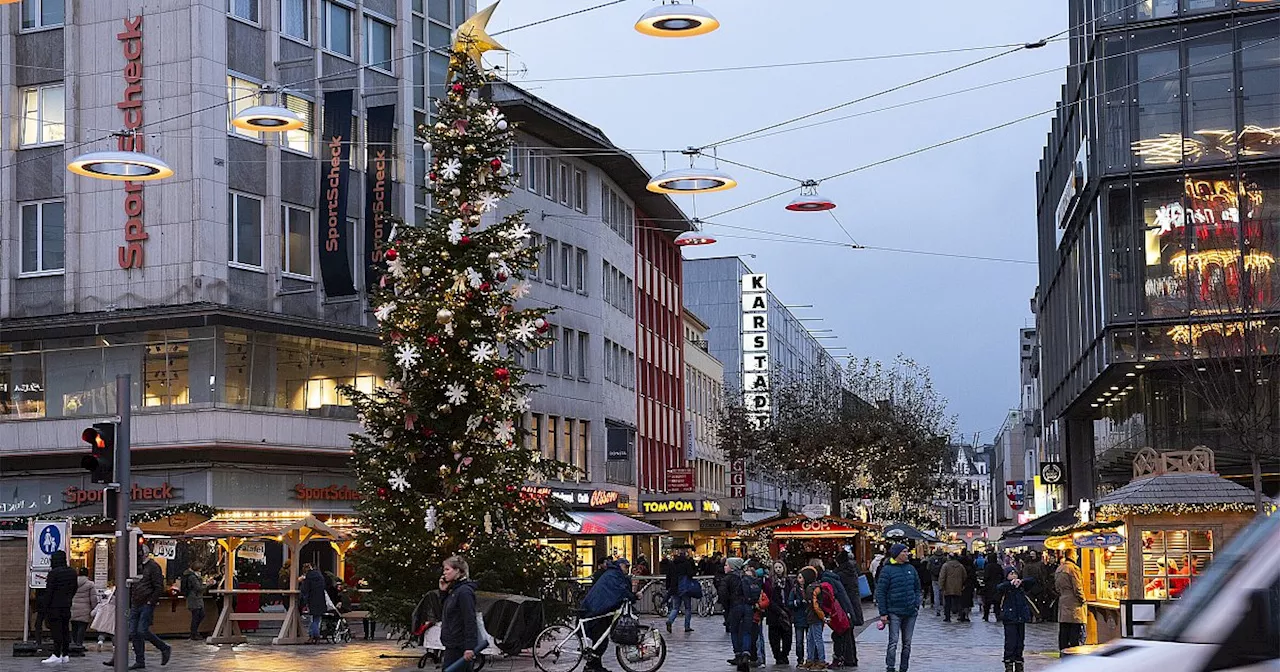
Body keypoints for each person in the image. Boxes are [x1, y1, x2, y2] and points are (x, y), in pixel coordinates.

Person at [580, 558, 636, 672]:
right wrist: (633, 597)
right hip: (596, 609)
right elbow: (620, 590)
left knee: (600, 639)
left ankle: (594, 666)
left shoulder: (613, 574)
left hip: (599, 609)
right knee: (600, 639)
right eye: (626, 567)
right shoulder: (614, 575)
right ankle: (591, 666)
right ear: (620, 565)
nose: (628, 570)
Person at [874, 544, 922, 672]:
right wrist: (883, 613)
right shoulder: (887, 570)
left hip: (910, 611)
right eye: (905, 552)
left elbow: (917, 588)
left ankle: (904, 668)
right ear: (897, 554)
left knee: (907, 643)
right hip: (894, 611)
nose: (907, 554)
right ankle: (890, 667)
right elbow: (881, 592)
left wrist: (917, 603)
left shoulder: (911, 568)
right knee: (893, 641)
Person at [128, 546, 172, 668]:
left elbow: (159, 586)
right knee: (133, 632)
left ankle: (164, 647)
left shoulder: (153, 567)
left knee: (142, 630)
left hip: (145, 602)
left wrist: (151, 601)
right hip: (136, 603)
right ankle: (140, 660)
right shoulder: (136, 567)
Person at [439, 556, 481, 672]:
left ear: (457, 570)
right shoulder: (454, 591)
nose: (444, 573)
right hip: (452, 645)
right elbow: (448, 613)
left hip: (460, 647)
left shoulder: (464, 592)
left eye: (447, 569)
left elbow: (469, 619)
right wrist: (443, 592)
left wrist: (469, 647)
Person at [41, 550, 77, 664]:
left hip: (54, 606)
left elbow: (49, 592)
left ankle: (56, 654)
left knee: (56, 631)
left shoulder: (54, 573)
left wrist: (44, 607)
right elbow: (75, 588)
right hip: (66, 605)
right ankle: (65, 654)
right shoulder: (72, 572)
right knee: (65, 629)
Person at [997, 568, 1037, 672]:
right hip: (1009, 618)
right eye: (1011, 574)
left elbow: (1033, 581)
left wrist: (1022, 581)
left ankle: (1019, 661)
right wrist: (1010, 584)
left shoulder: (1021, 587)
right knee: (1010, 641)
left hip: (1021, 617)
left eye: (1015, 574)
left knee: (1020, 642)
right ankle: (1009, 662)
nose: (1014, 576)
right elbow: (999, 588)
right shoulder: (1005, 587)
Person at [832, 552, 865, 667]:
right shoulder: (853, 570)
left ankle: (848, 658)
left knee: (843, 633)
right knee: (849, 633)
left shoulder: (840, 574)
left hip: (845, 607)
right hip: (854, 606)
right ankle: (851, 658)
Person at [722, 557, 753, 670]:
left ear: (732, 566)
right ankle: (746, 653)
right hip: (748, 606)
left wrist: (727, 607)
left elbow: (723, 594)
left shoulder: (728, 578)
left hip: (735, 606)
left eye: (726, 565)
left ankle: (738, 654)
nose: (724, 567)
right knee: (746, 631)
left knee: (734, 631)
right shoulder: (746, 577)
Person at [798, 566, 829, 671]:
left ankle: (821, 660)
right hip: (813, 617)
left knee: (816, 639)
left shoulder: (810, 589)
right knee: (810, 639)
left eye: (801, 577)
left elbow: (815, 605)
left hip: (815, 618)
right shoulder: (814, 587)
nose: (799, 580)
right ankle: (810, 659)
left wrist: (822, 617)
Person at [1055, 554, 1086, 651]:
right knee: (1074, 629)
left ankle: (1063, 650)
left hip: (1063, 600)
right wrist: (1083, 599)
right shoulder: (1073, 569)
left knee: (1064, 629)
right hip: (1073, 602)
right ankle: (1073, 652)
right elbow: (1077, 587)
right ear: (1072, 556)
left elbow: (1057, 587)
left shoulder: (1059, 569)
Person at [765, 561, 793, 666]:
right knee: (774, 639)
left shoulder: (789, 581)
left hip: (786, 613)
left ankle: (785, 655)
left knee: (787, 639)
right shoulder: (769, 582)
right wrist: (778, 609)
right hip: (774, 614)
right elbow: (768, 598)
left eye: (780, 567)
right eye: (776, 567)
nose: (778, 569)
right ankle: (777, 657)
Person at [664, 547, 695, 634]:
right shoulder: (686, 563)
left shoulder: (672, 564)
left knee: (675, 608)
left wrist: (668, 587)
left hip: (675, 588)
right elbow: (691, 573)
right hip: (685, 588)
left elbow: (668, 576)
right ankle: (687, 626)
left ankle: (670, 620)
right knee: (688, 608)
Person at [785, 567, 809, 669]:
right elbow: (789, 603)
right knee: (799, 642)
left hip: (808, 618)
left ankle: (810, 658)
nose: (802, 580)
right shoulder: (794, 590)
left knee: (810, 640)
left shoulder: (810, 589)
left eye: (803, 577)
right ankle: (800, 659)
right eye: (800, 577)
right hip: (799, 618)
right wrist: (797, 602)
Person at [71, 566, 99, 649]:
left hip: (73, 607)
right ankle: (79, 644)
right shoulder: (90, 584)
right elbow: (93, 598)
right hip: (85, 608)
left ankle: (74, 642)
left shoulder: (72, 582)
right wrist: (94, 608)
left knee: (74, 626)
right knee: (82, 627)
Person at [300, 563, 328, 644]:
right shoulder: (320, 576)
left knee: (313, 619)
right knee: (317, 618)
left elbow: (305, 590)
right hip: (321, 599)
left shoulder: (308, 578)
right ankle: (314, 636)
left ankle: (314, 635)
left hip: (312, 599)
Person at [1020, 552, 1049, 623]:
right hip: (1034, 586)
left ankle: (1035, 617)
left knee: (1033, 603)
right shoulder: (1031, 565)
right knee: (1035, 603)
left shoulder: (1030, 566)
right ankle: (1038, 616)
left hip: (1034, 586)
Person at [180, 564, 207, 640]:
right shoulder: (192, 577)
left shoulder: (193, 576)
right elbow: (198, 588)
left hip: (196, 598)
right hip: (194, 599)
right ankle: (193, 633)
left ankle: (194, 632)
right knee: (196, 616)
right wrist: (207, 584)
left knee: (200, 615)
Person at [938, 554, 966, 622]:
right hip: (958, 586)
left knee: (948, 603)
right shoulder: (960, 566)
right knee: (958, 602)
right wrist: (962, 583)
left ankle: (947, 617)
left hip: (948, 587)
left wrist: (941, 586)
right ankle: (961, 615)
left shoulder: (945, 565)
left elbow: (942, 577)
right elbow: (964, 576)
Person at [982, 552, 1005, 622]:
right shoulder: (998, 566)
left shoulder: (988, 566)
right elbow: (1002, 576)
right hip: (997, 586)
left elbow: (986, 577)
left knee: (987, 603)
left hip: (989, 586)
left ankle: (986, 616)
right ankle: (997, 615)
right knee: (997, 602)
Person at [926, 551, 945, 616]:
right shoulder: (944, 558)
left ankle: (937, 610)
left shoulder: (931, 558)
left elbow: (928, 567)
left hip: (934, 578)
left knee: (936, 594)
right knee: (943, 594)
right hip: (943, 578)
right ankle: (945, 609)